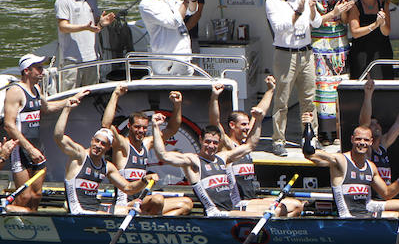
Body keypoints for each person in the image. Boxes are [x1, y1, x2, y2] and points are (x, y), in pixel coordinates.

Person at [208, 76, 305, 216]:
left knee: (296, 206)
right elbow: (214, 122)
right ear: (232, 125)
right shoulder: (227, 145)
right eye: (243, 125)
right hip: (239, 203)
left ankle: (280, 232)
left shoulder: (246, 143)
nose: (247, 128)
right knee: (280, 209)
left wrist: (270, 90)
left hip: (252, 199)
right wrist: (215, 97)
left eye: (248, 124)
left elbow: (260, 112)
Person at [3, 55, 88, 212]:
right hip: (21, 150)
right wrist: (29, 149)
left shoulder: (36, 89)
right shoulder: (15, 91)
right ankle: (13, 221)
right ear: (27, 71)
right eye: (39, 68)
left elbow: (46, 107)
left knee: (36, 195)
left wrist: (70, 100)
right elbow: (9, 125)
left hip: (37, 146)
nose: (43, 71)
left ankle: (34, 226)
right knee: (25, 196)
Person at [152, 110, 274, 217]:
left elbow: (250, 145)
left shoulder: (223, 157)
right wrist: (155, 127)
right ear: (200, 140)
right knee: (262, 216)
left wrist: (258, 121)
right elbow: (163, 155)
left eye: (215, 143)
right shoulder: (193, 161)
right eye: (208, 142)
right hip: (216, 214)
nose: (211, 146)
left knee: (277, 208)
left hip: (233, 208)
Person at [302, 112, 399, 218]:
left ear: (371, 142)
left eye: (366, 140)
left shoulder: (371, 167)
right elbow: (310, 154)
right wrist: (308, 125)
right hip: (348, 216)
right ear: (352, 140)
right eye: (358, 139)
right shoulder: (340, 160)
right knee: (395, 216)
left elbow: (387, 194)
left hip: (368, 208)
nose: (362, 143)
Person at [101, 84, 193, 216]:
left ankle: (156, 223)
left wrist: (177, 105)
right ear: (129, 126)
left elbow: (172, 129)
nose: (141, 131)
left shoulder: (147, 143)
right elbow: (106, 125)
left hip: (143, 202)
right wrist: (115, 95)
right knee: (157, 199)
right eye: (137, 127)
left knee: (187, 203)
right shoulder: (122, 145)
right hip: (127, 204)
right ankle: (153, 221)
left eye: (144, 128)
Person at [55, 102, 158, 214]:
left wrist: (144, 180)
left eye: (103, 144)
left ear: (109, 147)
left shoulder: (108, 167)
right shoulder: (79, 156)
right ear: (92, 140)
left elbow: (128, 188)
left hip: (96, 208)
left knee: (132, 210)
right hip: (80, 211)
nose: (98, 145)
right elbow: (59, 137)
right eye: (96, 141)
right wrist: (66, 109)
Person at [265, 0, 322, 157]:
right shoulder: (272, 1)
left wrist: (312, 9)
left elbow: (317, 23)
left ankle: (310, 137)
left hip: (306, 52)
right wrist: (297, 12)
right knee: (282, 100)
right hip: (285, 54)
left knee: (308, 98)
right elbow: (280, 27)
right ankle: (278, 140)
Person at [309, 0, 355, 145]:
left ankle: (339, 130)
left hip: (340, 47)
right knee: (323, 89)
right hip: (321, 47)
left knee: (340, 88)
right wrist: (334, 13)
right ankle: (325, 133)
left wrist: (344, 11)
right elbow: (314, 22)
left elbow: (343, 20)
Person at [55, 0, 115, 90]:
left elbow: (95, 23)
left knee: (91, 94)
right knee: (70, 96)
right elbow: (63, 26)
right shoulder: (63, 0)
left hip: (92, 57)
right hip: (72, 59)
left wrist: (102, 22)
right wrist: (84, 27)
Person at [358, 77, 399, 183]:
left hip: (386, 193)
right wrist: (368, 95)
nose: (376, 126)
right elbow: (364, 124)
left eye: (377, 123)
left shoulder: (383, 145)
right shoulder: (367, 149)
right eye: (372, 124)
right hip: (373, 196)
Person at [138, 0, 200, 75]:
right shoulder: (146, 5)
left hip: (184, 57)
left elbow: (191, 10)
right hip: (168, 61)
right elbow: (173, 22)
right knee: (171, 91)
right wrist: (186, 0)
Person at [348, 0, 393, 80]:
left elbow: (386, 32)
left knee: (383, 83)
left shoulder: (383, 5)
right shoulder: (355, 6)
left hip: (381, 51)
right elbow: (355, 33)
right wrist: (374, 25)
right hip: (361, 52)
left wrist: (382, 23)